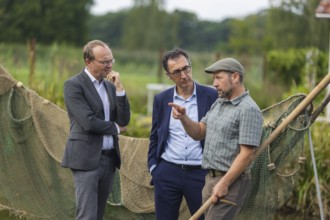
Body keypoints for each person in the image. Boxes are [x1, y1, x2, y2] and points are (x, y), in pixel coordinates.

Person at [169, 58, 263, 219]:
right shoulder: (219, 103)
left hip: (231, 182)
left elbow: (247, 154)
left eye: (218, 78)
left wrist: (224, 183)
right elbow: (199, 132)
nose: (214, 84)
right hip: (210, 179)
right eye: (214, 79)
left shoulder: (248, 109)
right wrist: (184, 118)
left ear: (235, 77)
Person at [61, 40, 130, 220]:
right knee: (87, 216)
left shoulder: (109, 85)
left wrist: (120, 90)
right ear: (88, 61)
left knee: (98, 215)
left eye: (111, 60)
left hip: (109, 159)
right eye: (104, 61)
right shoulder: (74, 85)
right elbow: (88, 122)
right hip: (86, 159)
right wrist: (115, 128)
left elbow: (124, 120)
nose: (109, 65)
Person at [148, 48, 218, 220]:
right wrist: (154, 168)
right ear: (168, 75)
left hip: (201, 173)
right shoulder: (162, 99)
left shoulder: (212, 95)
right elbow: (155, 135)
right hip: (167, 172)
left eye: (186, 68)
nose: (184, 75)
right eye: (177, 72)